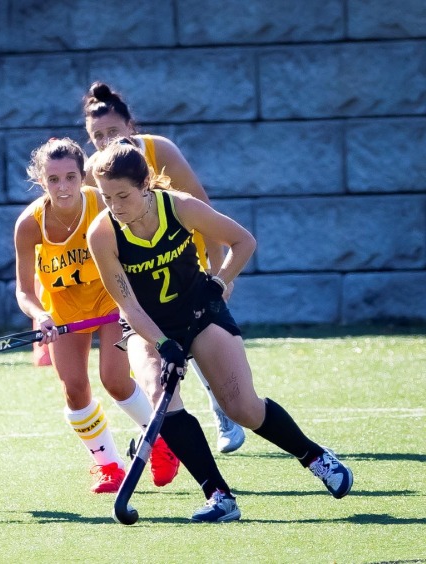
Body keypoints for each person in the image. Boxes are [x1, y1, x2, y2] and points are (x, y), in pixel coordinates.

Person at [87, 138, 354, 521]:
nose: (114, 207)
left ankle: (315, 457)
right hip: (148, 325)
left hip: (198, 310)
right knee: (160, 395)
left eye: (122, 196)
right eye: (106, 197)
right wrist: (163, 344)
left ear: (145, 184)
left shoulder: (179, 207)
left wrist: (220, 281)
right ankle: (219, 496)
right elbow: (127, 304)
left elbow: (243, 241)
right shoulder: (103, 233)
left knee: (241, 406)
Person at [82, 80, 246, 454]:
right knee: (150, 355)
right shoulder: (96, 169)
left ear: (130, 128)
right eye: (97, 136)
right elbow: (105, 230)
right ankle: (156, 427)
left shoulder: (160, 151)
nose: (107, 141)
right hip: (137, 273)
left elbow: (203, 209)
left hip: (184, 261)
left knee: (197, 330)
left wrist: (218, 274)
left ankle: (224, 408)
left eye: (113, 132)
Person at [13, 137, 180, 494]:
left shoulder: (102, 208)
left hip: (112, 306)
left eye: (71, 177)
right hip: (65, 312)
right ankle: (108, 466)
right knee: (74, 390)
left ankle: (162, 439)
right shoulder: (30, 224)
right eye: (54, 179)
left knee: (114, 379)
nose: (63, 187)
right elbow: (24, 291)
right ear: (41, 181)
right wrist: (40, 315)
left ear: (82, 175)